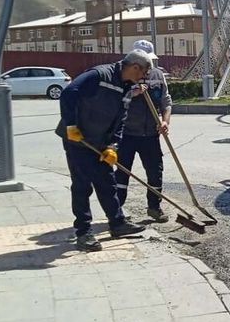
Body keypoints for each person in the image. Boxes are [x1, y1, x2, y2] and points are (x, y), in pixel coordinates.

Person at [55, 50, 151, 252]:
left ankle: (117, 223)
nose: (144, 77)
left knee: (107, 182)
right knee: (82, 186)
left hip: (100, 142)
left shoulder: (127, 87)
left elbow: (121, 120)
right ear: (135, 67)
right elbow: (69, 93)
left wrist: (113, 146)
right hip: (78, 139)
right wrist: (71, 125)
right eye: (144, 72)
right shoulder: (99, 75)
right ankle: (83, 232)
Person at [116, 40, 172, 223]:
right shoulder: (123, 76)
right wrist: (132, 93)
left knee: (155, 172)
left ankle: (154, 207)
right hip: (127, 134)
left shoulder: (158, 75)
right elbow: (114, 101)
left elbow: (166, 101)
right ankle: (117, 212)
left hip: (150, 135)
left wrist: (165, 121)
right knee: (122, 173)